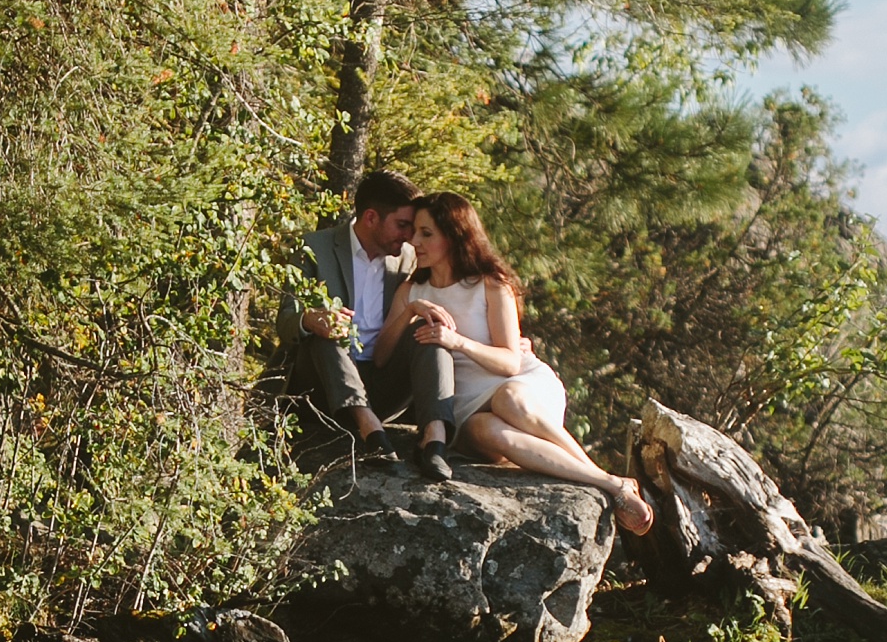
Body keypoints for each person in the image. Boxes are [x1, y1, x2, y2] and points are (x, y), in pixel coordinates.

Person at [375, 194, 653, 532]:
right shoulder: (411, 290)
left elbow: (509, 362)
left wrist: (457, 341)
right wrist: (408, 313)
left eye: (426, 233)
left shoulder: (490, 283)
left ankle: (608, 484)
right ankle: (611, 481)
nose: (414, 241)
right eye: (415, 232)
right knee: (487, 431)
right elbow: (381, 357)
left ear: (454, 235)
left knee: (508, 397)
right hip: (464, 408)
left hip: (520, 388)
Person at [277, 168, 455, 472]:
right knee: (328, 333)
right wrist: (310, 319)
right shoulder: (312, 248)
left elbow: (458, 287)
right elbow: (285, 322)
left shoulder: (409, 258)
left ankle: (434, 439)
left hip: (384, 381)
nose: (410, 237)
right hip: (323, 384)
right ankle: (370, 433)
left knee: (431, 335)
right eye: (402, 225)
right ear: (371, 217)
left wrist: (500, 340)